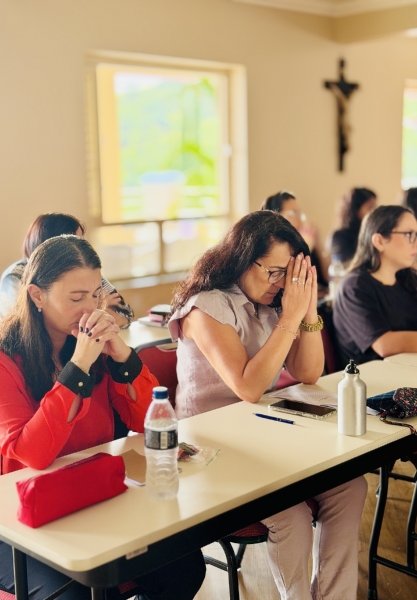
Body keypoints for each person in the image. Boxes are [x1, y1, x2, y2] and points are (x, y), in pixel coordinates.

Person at [0, 236, 205, 600]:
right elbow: (33, 454)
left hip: (87, 496)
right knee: (77, 594)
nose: (90, 309)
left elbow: (150, 421)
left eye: (96, 295)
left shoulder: (92, 346)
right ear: (36, 296)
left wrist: (123, 357)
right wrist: (78, 366)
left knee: (184, 566)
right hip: (3, 522)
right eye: (76, 298)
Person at [168, 211, 367, 600]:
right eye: (273, 272)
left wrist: (307, 311)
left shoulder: (271, 304)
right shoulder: (204, 307)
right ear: (242, 259)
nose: (279, 283)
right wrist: (289, 317)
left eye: (288, 275)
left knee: (350, 487)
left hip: (264, 436)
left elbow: (308, 372)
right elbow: (249, 387)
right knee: (292, 514)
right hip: (210, 449)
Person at [0, 212, 133, 328]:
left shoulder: (83, 269)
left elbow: (125, 314)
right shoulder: (15, 277)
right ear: (52, 245)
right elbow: (28, 328)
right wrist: (101, 308)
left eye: (95, 296)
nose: (82, 248)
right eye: (76, 298)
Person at [333, 205, 417, 366]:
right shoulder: (354, 286)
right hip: (374, 377)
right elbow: (384, 345)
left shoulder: (408, 279)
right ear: (379, 241)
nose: (416, 244)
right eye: (409, 235)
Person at [261, 191, 329, 289]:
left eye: (300, 214)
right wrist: (305, 247)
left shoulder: (304, 238)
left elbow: (328, 277)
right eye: (293, 213)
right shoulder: (271, 246)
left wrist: (319, 245)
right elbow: (287, 280)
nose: (300, 220)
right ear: (275, 215)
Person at [329, 187, 377, 265]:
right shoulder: (340, 237)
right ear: (356, 209)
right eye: (370, 207)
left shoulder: (373, 232)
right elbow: (347, 265)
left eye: (375, 207)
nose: (374, 211)